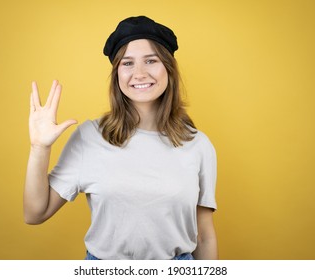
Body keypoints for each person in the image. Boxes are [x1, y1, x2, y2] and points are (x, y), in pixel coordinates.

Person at [24, 15, 218, 260]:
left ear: (168, 68)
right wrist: (39, 148)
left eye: (151, 60)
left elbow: (204, 236)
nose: (139, 73)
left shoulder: (198, 145)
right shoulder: (90, 137)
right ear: (116, 74)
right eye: (127, 63)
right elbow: (34, 213)